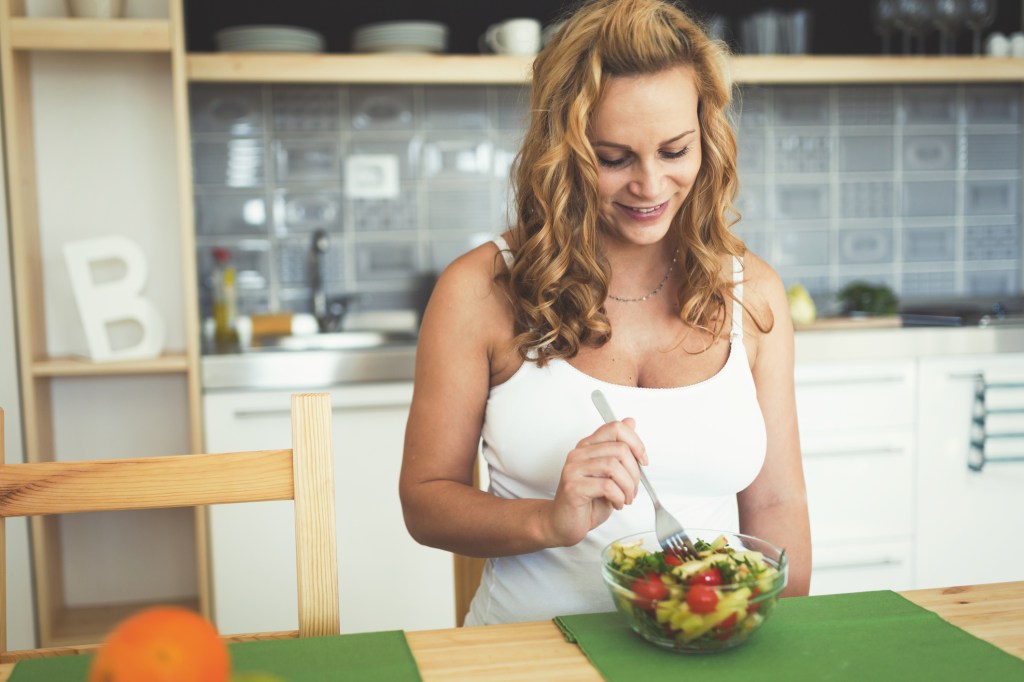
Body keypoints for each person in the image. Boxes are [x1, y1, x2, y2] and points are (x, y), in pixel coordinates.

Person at [400, 0, 811, 625]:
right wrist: (549, 518)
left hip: (704, 647)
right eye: (614, 158)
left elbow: (777, 503)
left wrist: (762, 629)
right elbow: (426, 502)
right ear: (562, 153)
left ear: (708, 138)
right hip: (523, 655)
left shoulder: (753, 294)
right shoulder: (480, 291)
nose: (650, 186)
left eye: (675, 151)